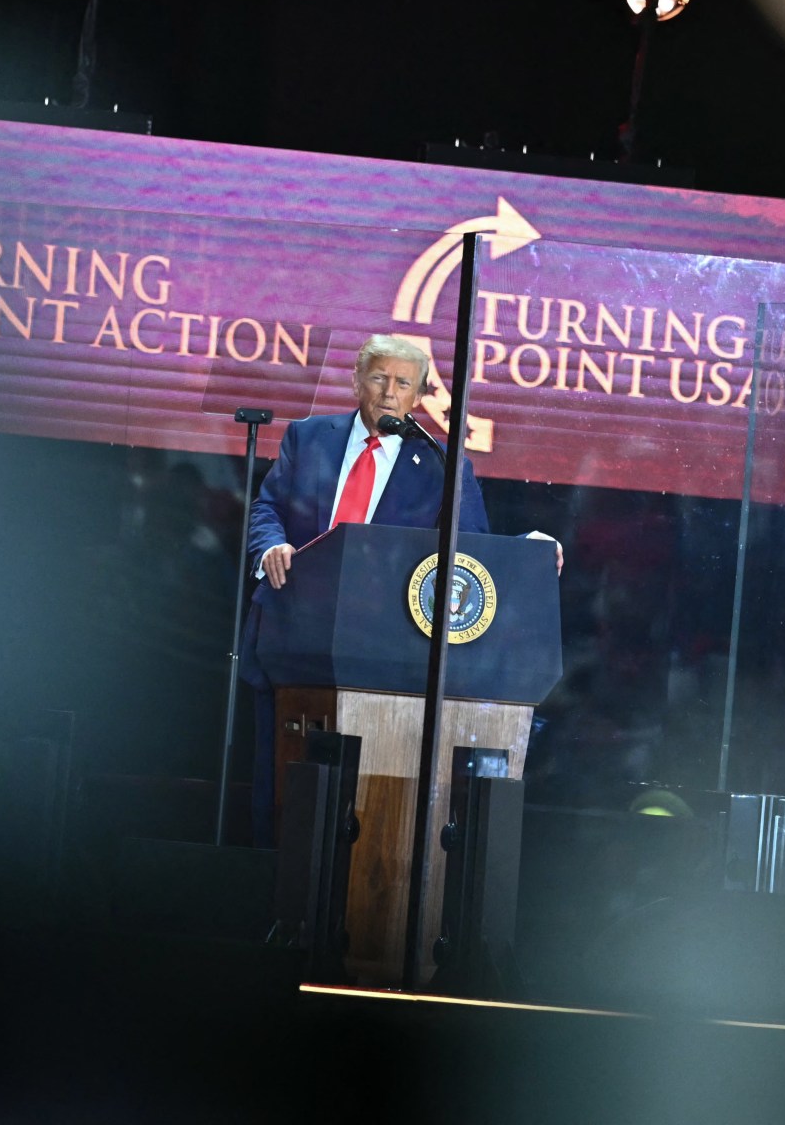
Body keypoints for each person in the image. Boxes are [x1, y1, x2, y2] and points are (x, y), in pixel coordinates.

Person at [240, 334, 560, 843]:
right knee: (278, 779)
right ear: (356, 381)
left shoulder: (440, 462)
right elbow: (268, 507)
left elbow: (471, 547)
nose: (389, 392)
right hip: (293, 629)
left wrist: (529, 548)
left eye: (403, 383)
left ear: (419, 395)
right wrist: (269, 545)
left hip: (375, 647)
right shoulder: (309, 437)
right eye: (379, 377)